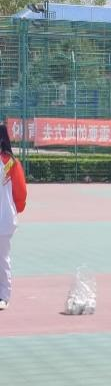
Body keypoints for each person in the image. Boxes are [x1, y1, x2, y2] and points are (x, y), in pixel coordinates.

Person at [0, 123, 26, 311]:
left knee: (2, 258)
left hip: (3, 220)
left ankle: (4, 296)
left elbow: (20, 191)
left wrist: (15, 208)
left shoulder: (9, 162)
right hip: (5, 219)